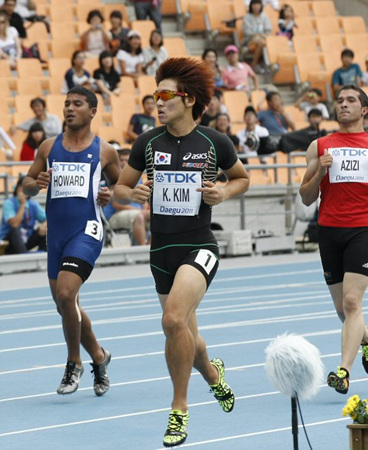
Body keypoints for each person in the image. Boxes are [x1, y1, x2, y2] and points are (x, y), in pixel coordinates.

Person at [113, 57, 249, 447]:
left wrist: (222, 191)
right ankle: (211, 374)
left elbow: (242, 178)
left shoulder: (213, 142)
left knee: (172, 321)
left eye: (165, 95)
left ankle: (179, 409)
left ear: (187, 99)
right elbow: (122, 189)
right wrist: (132, 194)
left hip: (199, 245)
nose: (157, 102)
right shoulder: (147, 143)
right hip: (162, 251)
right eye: (155, 95)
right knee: (187, 332)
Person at [22, 86, 121, 397]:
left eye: (77, 104)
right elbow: (25, 185)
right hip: (57, 236)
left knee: (66, 293)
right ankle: (100, 358)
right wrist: (34, 184)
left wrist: (110, 195)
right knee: (66, 305)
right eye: (66, 104)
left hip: (87, 230)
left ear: (92, 112)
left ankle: (73, 363)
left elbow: (121, 186)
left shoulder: (105, 151)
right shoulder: (48, 147)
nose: (69, 108)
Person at [299, 84, 368, 395]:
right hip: (329, 230)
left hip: (362, 229)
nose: (343, 105)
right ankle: (367, 337)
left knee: (353, 302)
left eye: (351, 100)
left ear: (364, 109)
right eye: (339, 100)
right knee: (343, 310)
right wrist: (318, 174)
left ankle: (343, 371)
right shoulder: (320, 146)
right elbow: (306, 196)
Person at [103, 148, 150, 245]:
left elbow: (144, 200)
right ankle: (143, 252)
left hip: (137, 213)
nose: (124, 163)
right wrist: (141, 211)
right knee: (139, 217)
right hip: (115, 216)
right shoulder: (113, 176)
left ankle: (150, 248)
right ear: (117, 161)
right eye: (121, 160)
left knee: (159, 218)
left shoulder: (137, 178)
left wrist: (146, 210)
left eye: (127, 161)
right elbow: (117, 204)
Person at [0, 175, 46, 254]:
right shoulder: (9, 203)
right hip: (10, 243)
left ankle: (44, 253)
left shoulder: (33, 204)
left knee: (46, 229)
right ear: (17, 188)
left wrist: (45, 224)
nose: (24, 191)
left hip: (27, 239)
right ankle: (24, 255)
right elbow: (15, 224)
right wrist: (22, 204)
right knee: (15, 230)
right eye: (22, 188)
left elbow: (48, 218)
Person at [242, 0, 272, 73]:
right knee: (261, 41)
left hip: (262, 38)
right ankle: (254, 64)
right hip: (249, 39)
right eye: (254, 4)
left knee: (263, 42)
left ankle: (261, 64)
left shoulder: (264, 16)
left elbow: (268, 30)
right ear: (251, 6)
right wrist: (259, 35)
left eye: (258, 4)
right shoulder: (247, 17)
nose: (256, 6)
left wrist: (262, 35)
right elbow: (247, 32)